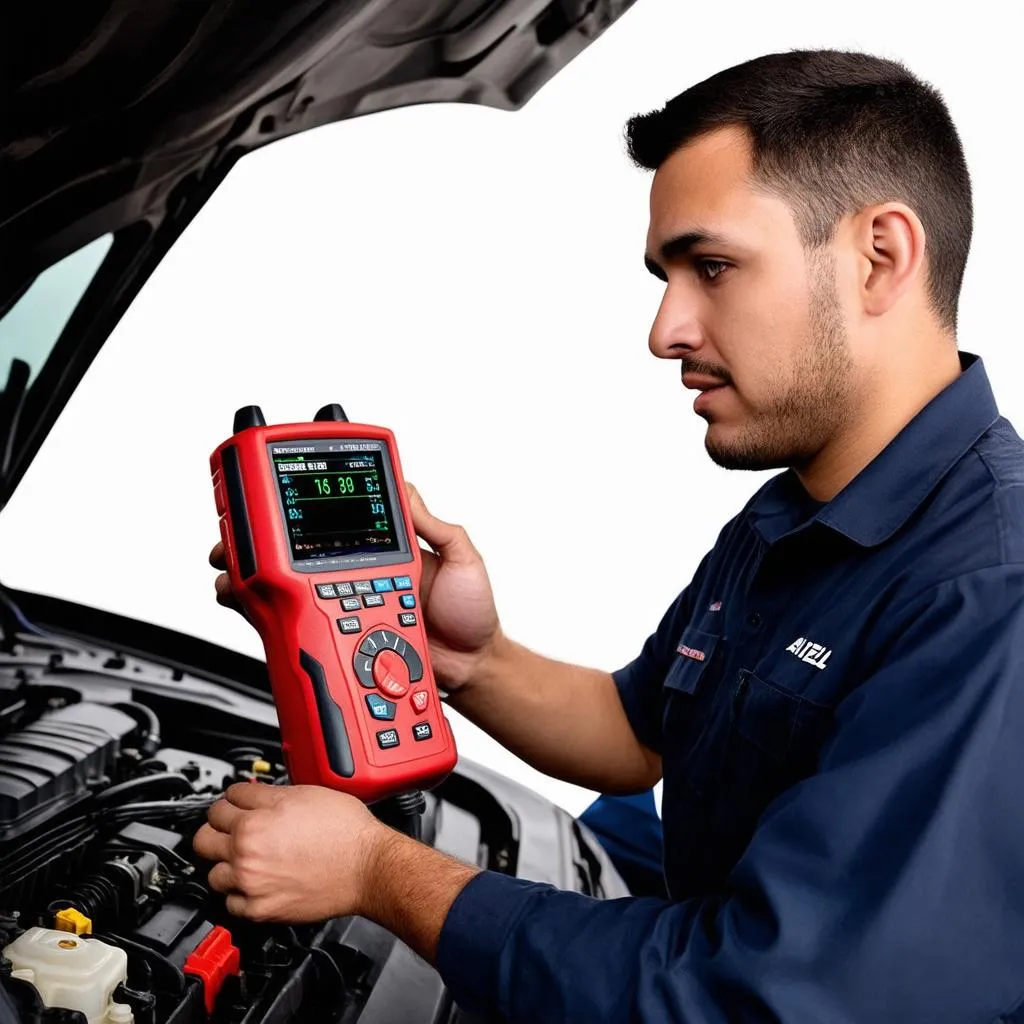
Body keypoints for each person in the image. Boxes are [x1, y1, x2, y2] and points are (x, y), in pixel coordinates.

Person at [193, 49, 1024, 1022]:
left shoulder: (986, 594)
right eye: (664, 274)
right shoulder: (795, 512)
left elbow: (750, 1000)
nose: (665, 328)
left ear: (880, 255)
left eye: (711, 266)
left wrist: (379, 869)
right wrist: (470, 656)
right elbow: (641, 736)